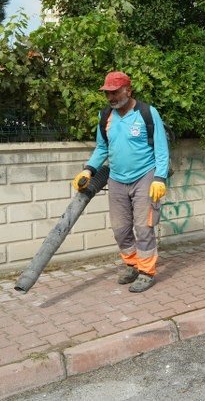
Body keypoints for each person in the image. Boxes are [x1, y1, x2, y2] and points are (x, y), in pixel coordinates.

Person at [72, 71, 170, 292]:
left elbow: (162, 149)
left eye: (115, 92)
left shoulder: (147, 113)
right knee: (120, 229)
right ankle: (132, 265)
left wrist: (159, 178)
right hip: (116, 179)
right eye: (107, 93)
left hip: (145, 177)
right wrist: (88, 170)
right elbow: (102, 148)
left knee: (143, 227)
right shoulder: (105, 116)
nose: (111, 97)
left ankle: (146, 272)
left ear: (128, 90)